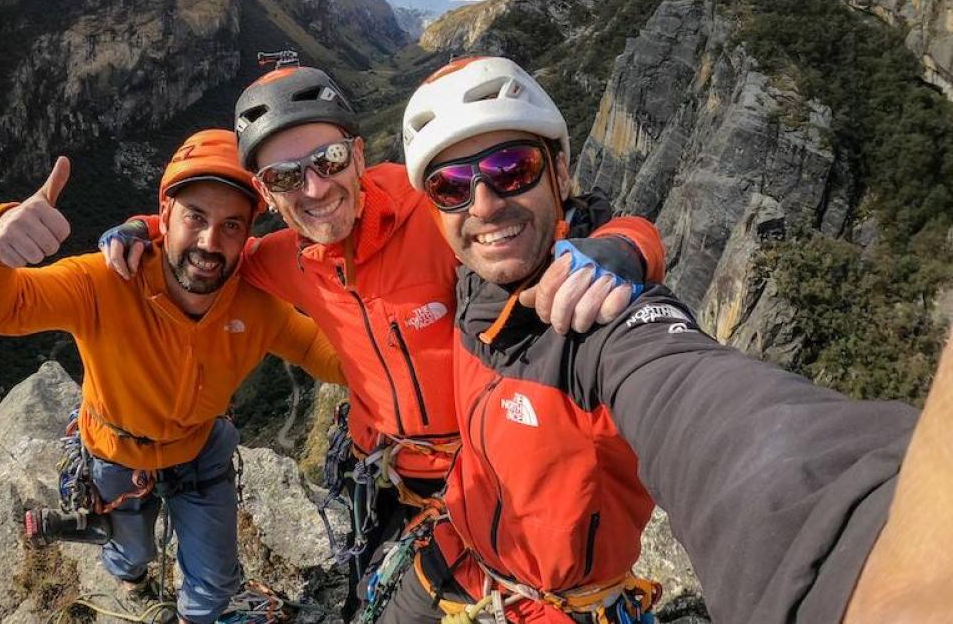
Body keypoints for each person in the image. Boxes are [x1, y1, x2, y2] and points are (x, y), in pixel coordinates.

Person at [99, 61, 667, 618]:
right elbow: (210, 245)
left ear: (359, 154)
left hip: (479, 469)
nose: (315, 188)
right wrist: (145, 227)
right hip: (386, 474)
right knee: (371, 594)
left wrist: (628, 248)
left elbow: (569, 222)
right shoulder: (283, 257)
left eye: (329, 159)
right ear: (267, 195)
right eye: (285, 178)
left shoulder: (438, 209)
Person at [377, 55, 925, 624]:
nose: (484, 205)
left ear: (560, 172)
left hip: (556, 608)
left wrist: (855, 543)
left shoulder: (602, 319)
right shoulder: (471, 276)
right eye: (451, 187)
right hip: (452, 555)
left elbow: (703, 404)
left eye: (512, 168)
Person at [0, 130, 346, 624]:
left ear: (247, 234)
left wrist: (401, 360)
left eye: (230, 226)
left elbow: (315, 348)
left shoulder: (256, 301)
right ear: (165, 217)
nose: (209, 242)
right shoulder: (105, 282)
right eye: (195, 217)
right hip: (116, 450)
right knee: (129, 552)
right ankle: (130, 576)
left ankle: (195, 616)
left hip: (200, 449)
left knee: (217, 578)